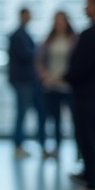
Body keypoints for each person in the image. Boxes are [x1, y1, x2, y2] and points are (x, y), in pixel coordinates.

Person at [64, 0, 95, 190]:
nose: (85, 9)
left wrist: (66, 77)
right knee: (87, 137)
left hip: (85, 93)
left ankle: (91, 183)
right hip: (92, 92)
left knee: (86, 136)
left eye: (88, 5)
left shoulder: (90, 34)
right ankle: (89, 175)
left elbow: (81, 66)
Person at [37, 10, 77, 160]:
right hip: (50, 84)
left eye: (62, 20)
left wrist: (63, 76)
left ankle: (79, 151)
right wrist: (45, 76)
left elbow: (76, 62)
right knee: (55, 119)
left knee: (75, 119)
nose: (59, 23)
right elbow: (39, 60)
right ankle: (57, 148)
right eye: (57, 20)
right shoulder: (48, 41)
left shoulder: (73, 40)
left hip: (67, 84)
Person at [7, 7, 46, 159]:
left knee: (39, 112)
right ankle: (18, 144)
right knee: (21, 114)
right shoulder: (18, 36)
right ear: (22, 16)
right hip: (23, 81)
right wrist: (38, 50)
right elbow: (26, 55)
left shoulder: (23, 34)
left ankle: (40, 144)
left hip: (30, 80)